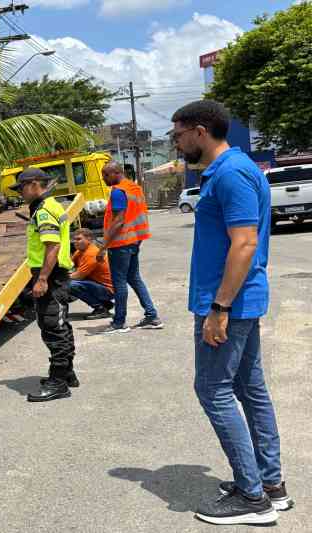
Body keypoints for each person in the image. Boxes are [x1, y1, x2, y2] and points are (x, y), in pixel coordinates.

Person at [172, 100, 291, 526]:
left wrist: (218, 308)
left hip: (228, 303)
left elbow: (243, 244)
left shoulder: (231, 173)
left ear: (200, 131)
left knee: (214, 391)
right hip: (236, 300)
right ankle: (270, 485)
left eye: (178, 134)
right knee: (249, 389)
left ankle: (252, 496)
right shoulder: (235, 169)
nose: (176, 143)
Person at [9, 167, 78, 402]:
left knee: (53, 327)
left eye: (21, 188)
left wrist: (42, 279)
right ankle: (65, 373)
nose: (20, 193)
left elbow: (53, 246)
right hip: (55, 275)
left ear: (35, 184)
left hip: (51, 276)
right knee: (59, 325)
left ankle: (59, 383)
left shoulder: (45, 210)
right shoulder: (49, 206)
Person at [96, 161, 163, 333]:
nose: (103, 178)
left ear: (116, 172)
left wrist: (103, 246)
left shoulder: (118, 191)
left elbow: (118, 221)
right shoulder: (134, 188)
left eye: (105, 175)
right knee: (134, 279)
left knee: (119, 284)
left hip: (120, 244)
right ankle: (152, 316)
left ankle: (119, 322)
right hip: (134, 241)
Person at [69, 228, 114, 319]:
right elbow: (69, 265)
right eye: (74, 240)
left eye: (79, 239)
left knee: (70, 285)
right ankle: (105, 304)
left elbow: (78, 276)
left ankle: (100, 309)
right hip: (97, 285)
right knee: (69, 282)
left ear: (89, 239)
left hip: (107, 290)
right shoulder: (79, 251)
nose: (75, 242)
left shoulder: (91, 253)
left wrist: (59, 279)